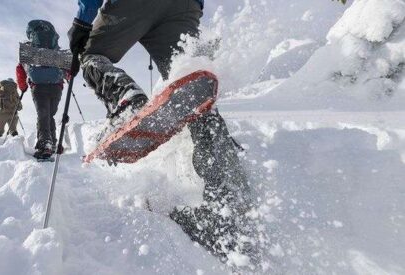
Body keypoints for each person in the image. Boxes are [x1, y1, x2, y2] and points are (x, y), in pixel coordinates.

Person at [68, 0, 257, 265]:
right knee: (192, 88)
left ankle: (126, 101)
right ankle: (228, 207)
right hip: (185, 5)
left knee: (91, 56)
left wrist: (81, 23)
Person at [17, 20, 66, 159]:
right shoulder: (54, 49)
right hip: (56, 86)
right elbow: (66, 67)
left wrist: (23, 86)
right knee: (49, 114)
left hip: (38, 86)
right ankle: (54, 143)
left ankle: (45, 144)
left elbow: (20, 68)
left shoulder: (29, 49)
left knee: (43, 114)